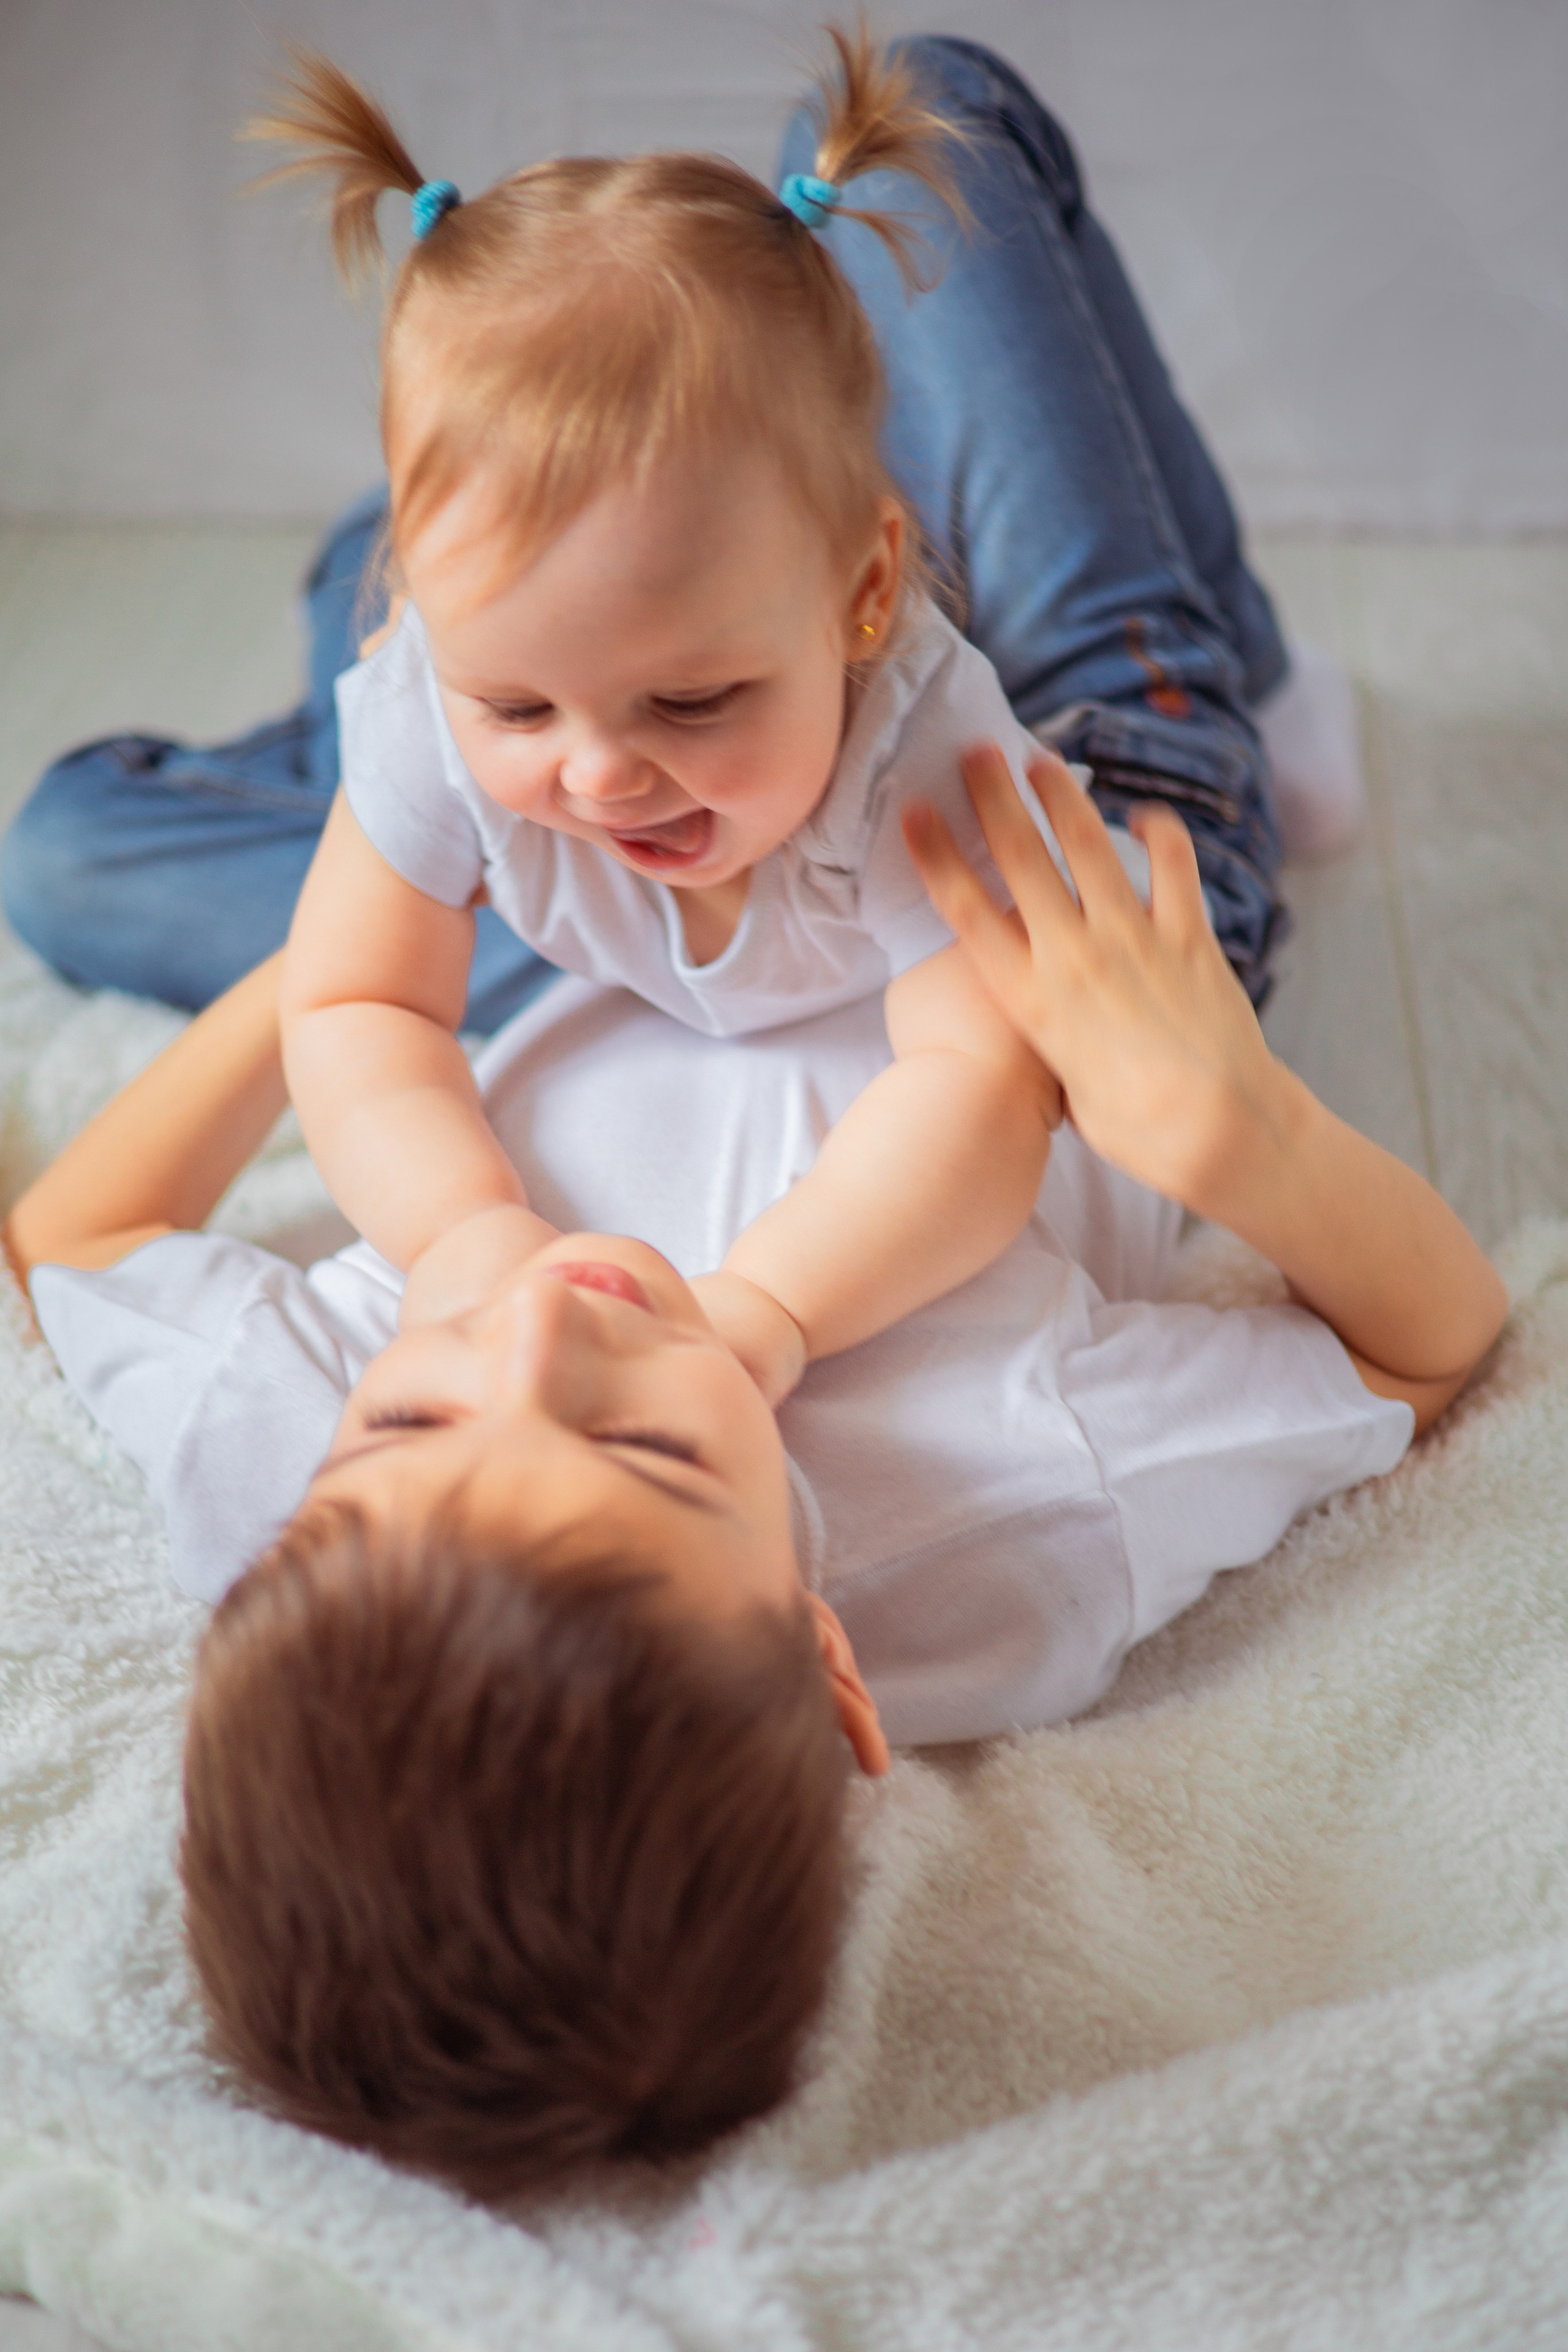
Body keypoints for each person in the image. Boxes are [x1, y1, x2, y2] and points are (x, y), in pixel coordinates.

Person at [3, 745, 1505, 2195]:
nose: (536, 1330)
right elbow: (1415, 1352)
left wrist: (348, 970)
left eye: (407, 1425)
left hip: (581, 924)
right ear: (824, 1656)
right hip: (1010, 876)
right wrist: (1242, 1137)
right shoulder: (1019, 1518)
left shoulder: (282, 1479)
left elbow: (73, 1239)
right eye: (644, 1450)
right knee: (1007, 615)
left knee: (70, 852)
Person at [2, 34, 1324, 1394]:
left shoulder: (925, 759)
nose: (598, 776)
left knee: (933, 102)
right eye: (515, 700)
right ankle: (481, 573)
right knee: (69, 846)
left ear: (870, 593)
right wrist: (462, 1232)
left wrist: (771, 1306)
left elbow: (983, 1095)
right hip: (705, 843)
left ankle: (1239, 669)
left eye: (689, 701)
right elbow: (355, 1001)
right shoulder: (431, 692)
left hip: (1100, 839)